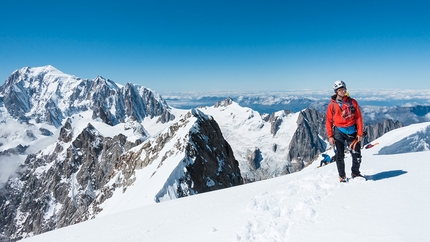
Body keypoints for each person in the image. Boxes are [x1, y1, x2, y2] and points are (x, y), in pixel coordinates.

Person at [325, 80, 364, 182]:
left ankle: (355, 173)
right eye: (340, 90)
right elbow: (328, 121)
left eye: (344, 89)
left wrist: (360, 133)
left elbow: (359, 118)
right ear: (336, 91)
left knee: (356, 154)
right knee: (339, 156)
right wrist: (330, 136)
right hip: (339, 132)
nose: (343, 91)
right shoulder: (332, 105)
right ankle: (342, 176)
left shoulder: (353, 102)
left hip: (352, 131)